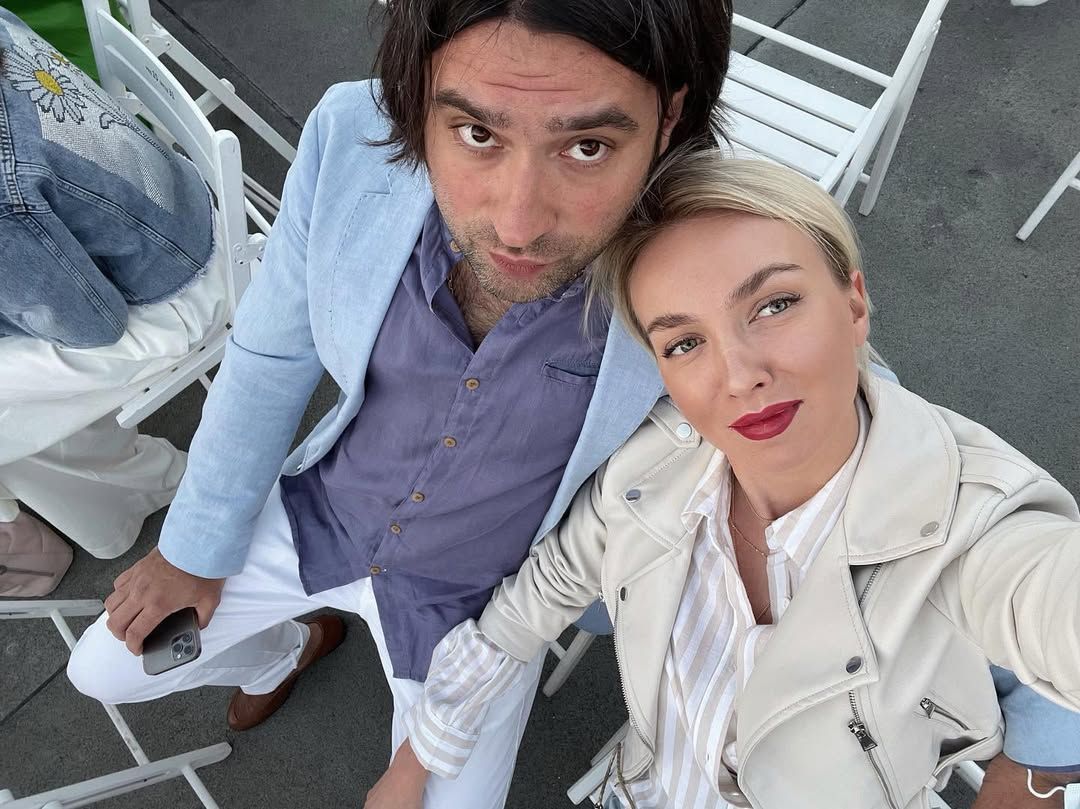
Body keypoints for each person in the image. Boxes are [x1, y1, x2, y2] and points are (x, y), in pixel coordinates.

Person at [65, 2, 731, 807]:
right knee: (102, 669)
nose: (517, 223)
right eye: (477, 133)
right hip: (324, 516)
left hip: (485, 605)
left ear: (670, 119)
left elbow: (829, 421)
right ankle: (283, 651)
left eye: (587, 146)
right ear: (417, 94)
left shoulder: (717, 251)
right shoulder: (350, 136)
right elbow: (272, 356)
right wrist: (192, 550)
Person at [386, 154, 1080, 809]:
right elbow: (532, 600)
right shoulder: (651, 471)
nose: (741, 375)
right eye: (685, 342)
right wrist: (414, 761)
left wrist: (1036, 778)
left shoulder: (974, 522)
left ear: (854, 304)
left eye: (774, 305)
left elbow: (1046, 599)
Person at [0, 7, 227, 561]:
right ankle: (125, 491)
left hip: (178, 293)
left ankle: (139, 494)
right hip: (181, 199)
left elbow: (95, 325)